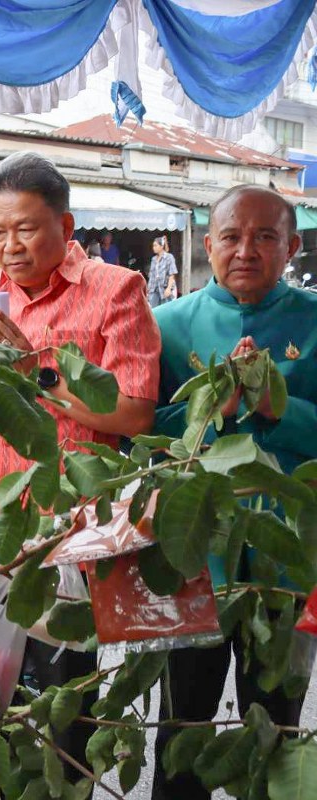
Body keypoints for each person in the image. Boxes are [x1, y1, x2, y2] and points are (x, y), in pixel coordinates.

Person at [0, 152, 160, 794]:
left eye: (26, 230)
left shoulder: (116, 289)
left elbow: (134, 410)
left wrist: (36, 373)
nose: (9, 246)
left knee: (63, 699)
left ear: (65, 226)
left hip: (70, 533)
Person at [150, 185, 317, 800]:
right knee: (181, 723)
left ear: (291, 247)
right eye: (231, 236)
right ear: (208, 243)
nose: (246, 250)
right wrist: (207, 411)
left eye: (265, 237)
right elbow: (141, 431)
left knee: (275, 724)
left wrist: (280, 406)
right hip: (193, 558)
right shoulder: (168, 324)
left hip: (288, 560)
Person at [147, 235, 179, 306]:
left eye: (155, 245)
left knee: (165, 309)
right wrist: (148, 289)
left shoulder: (169, 257)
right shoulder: (153, 259)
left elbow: (172, 274)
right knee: (154, 310)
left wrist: (168, 288)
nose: (153, 248)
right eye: (153, 246)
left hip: (164, 289)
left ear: (161, 246)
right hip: (154, 289)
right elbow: (151, 276)